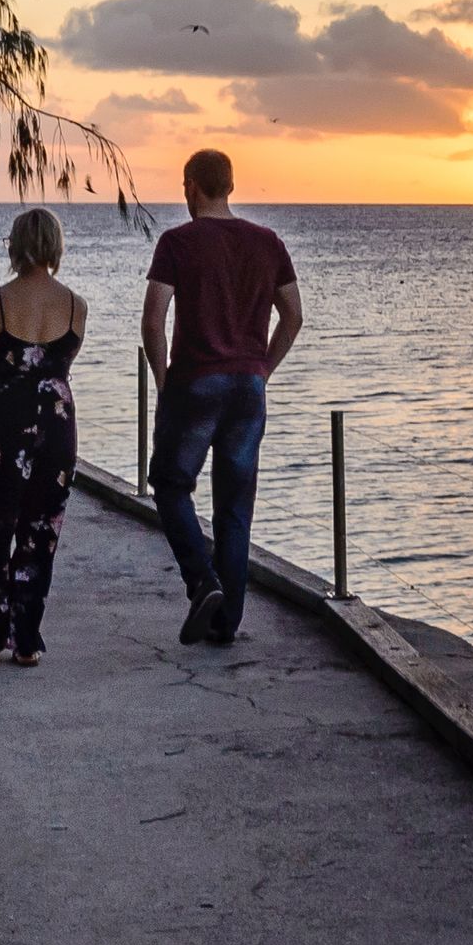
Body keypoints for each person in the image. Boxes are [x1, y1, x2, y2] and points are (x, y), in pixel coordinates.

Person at [144, 148, 300, 646]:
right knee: (234, 508)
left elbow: (153, 320)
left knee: (170, 485)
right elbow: (293, 315)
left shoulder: (177, 242)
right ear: (230, 186)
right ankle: (225, 623)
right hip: (248, 388)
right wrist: (263, 369)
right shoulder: (268, 242)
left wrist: (163, 381)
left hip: (196, 382)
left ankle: (202, 581)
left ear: (191, 186)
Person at [0, 206, 86, 665]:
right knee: (41, 530)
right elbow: (59, 364)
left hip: (4, 425)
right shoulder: (76, 307)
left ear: (15, 245)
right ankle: (25, 640)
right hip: (57, 429)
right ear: (56, 248)